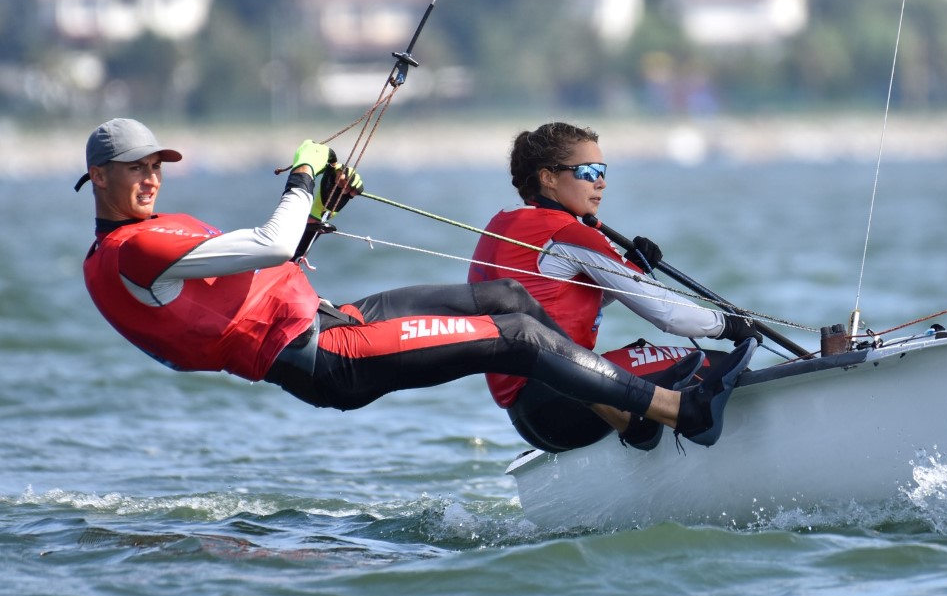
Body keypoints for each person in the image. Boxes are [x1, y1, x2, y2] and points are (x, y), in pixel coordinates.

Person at [76, 117, 754, 451]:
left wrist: (322, 209)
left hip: (330, 317)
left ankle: (614, 412)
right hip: (321, 358)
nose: (151, 177)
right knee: (515, 337)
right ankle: (680, 412)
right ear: (98, 178)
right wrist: (302, 175)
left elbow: (274, 260)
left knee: (505, 301)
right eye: (135, 168)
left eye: (157, 165)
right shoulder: (132, 249)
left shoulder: (148, 240)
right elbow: (271, 242)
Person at [469, 121, 760, 453]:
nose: (602, 182)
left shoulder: (502, 224)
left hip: (529, 417)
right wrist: (731, 325)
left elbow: (561, 301)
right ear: (548, 177)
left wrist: (633, 267)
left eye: (603, 170)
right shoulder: (566, 233)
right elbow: (668, 315)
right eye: (589, 171)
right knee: (718, 365)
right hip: (568, 398)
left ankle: (641, 427)